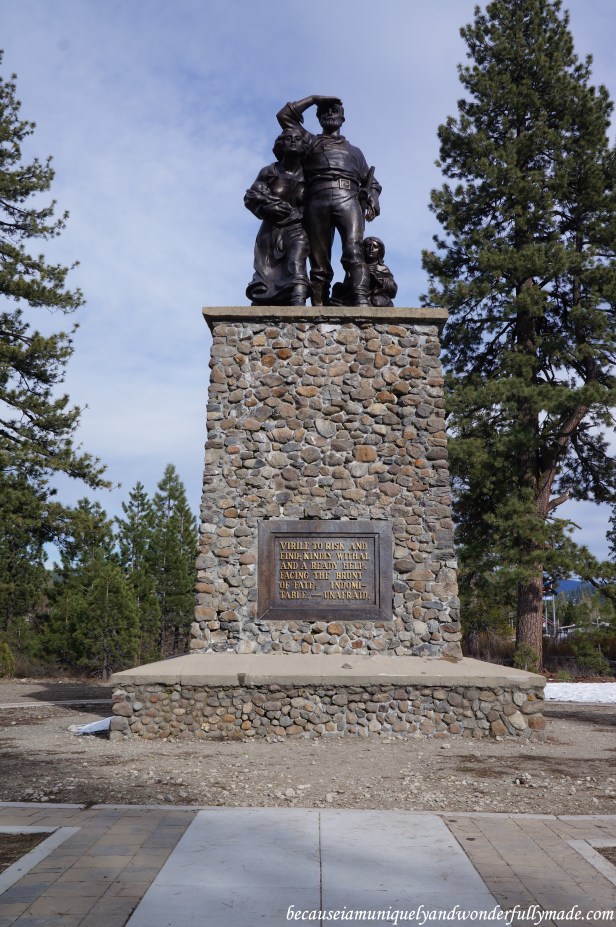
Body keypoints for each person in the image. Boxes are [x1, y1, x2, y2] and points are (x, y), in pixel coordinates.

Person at [277, 94, 381, 307]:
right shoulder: (309, 141)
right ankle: (319, 303)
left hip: (349, 200)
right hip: (317, 200)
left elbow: (373, 183)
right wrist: (314, 99)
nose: (330, 115)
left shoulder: (355, 152)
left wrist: (374, 197)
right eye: (325, 112)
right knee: (319, 258)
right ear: (319, 118)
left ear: (343, 119)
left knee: (354, 250)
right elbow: (285, 116)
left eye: (335, 112)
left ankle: (361, 299)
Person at [244, 128, 310, 306]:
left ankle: (299, 305)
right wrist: (268, 207)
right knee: (267, 272)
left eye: (297, 139)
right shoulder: (269, 172)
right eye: (288, 138)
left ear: (304, 145)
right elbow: (251, 197)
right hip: (271, 230)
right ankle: (263, 302)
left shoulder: (310, 175)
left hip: (297, 228)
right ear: (281, 144)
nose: (293, 141)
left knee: (297, 261)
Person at [330, 237, 397, 307]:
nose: (371, 249)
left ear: (380, 251)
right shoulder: (357, 266)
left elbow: (393, 290)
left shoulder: (382, 268)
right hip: (354, 295)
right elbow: (348, 283)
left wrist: (377, 280)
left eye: (375, 247)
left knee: (377, 301)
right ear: (363, 249)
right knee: (338, 288)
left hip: (375, 296)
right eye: (368, 246)